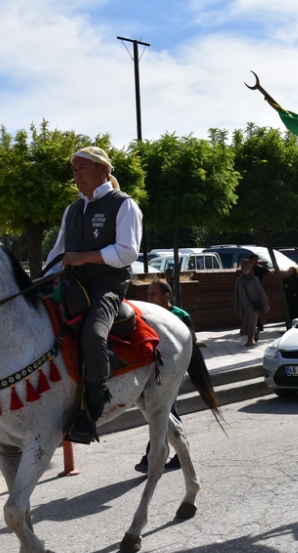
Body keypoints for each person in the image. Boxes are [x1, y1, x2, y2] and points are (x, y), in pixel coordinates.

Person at [45, 146, 143, 444]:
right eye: (74, 171)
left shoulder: (124, 204)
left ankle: (91, 414)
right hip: (73, 284)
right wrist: (41, 280)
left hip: (107, 288)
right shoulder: (72, 209)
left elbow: (127, 252)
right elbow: (59, 252)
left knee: (93, 335)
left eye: (82, 169)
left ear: (103, 170)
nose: (76, 176)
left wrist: (83, 258)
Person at [134, 279, 190, 473]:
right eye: (147, 293)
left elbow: (189, 346)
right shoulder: (147, 316)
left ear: (166, 296)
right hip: (154, 373)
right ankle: (182, 450)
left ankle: (150, 459)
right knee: (167, 411)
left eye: (152, 294)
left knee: (162, 411)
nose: (148, 297)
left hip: (174, 372)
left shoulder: (179, 316)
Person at [234, 260, 268, 347]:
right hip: (242, 305)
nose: (245, 270)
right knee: (244, 322)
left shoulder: (255, 279)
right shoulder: (239, 280)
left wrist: (265, 306)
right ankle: (256, 331)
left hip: (252, 305)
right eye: (243, 269)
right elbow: (236, 293)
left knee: (251, 322)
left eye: (246, 268)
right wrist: (236, 306)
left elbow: (261, 292)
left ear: (250, 269)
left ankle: (250, 340)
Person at [249, 256, 269, 331]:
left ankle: (259, 324)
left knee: (256, 306)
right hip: (250, 289)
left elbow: (268, 273)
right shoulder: (249, 269)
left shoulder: (260, 268)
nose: (256, 261)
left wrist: (263, 281)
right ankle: (256, 323)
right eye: (255, 260)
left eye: (257, 260)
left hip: (258, 289)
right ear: (251, 260)